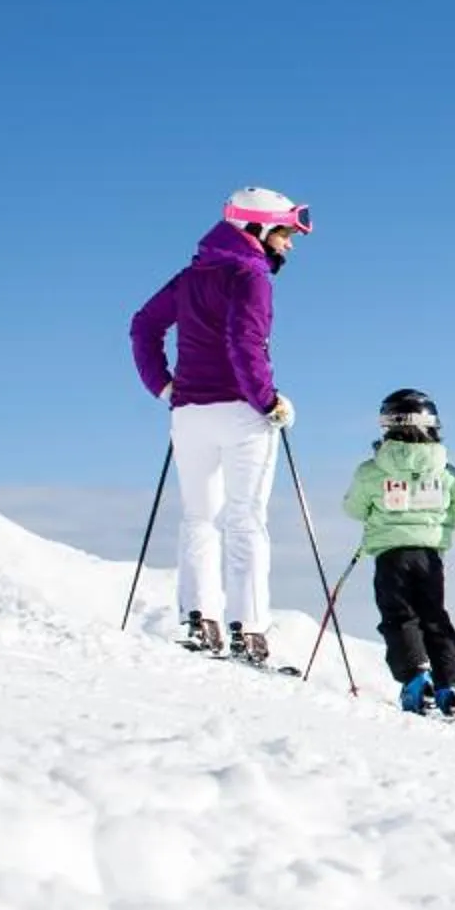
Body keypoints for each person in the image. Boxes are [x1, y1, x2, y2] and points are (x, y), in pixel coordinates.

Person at [130, 186, 312, 666]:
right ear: (257, 228)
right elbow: (243, 342)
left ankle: (199, 620)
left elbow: (143, 326)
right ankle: (248, 631)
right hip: (240, 412)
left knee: (198, 517)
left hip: (189, 412)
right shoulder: (250, 276)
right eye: (286, 233)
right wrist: (269, 402)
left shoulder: (192, 276)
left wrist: (164, 386)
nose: (290, 244)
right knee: (245, 519)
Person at [343, 389, 455, 716]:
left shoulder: (371, 471)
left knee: (400, 617)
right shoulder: (447, 473)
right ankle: (449, 687)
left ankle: (416, 680)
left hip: (390, 556)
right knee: (435, 617)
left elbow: (354, 508)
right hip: (430, 558)